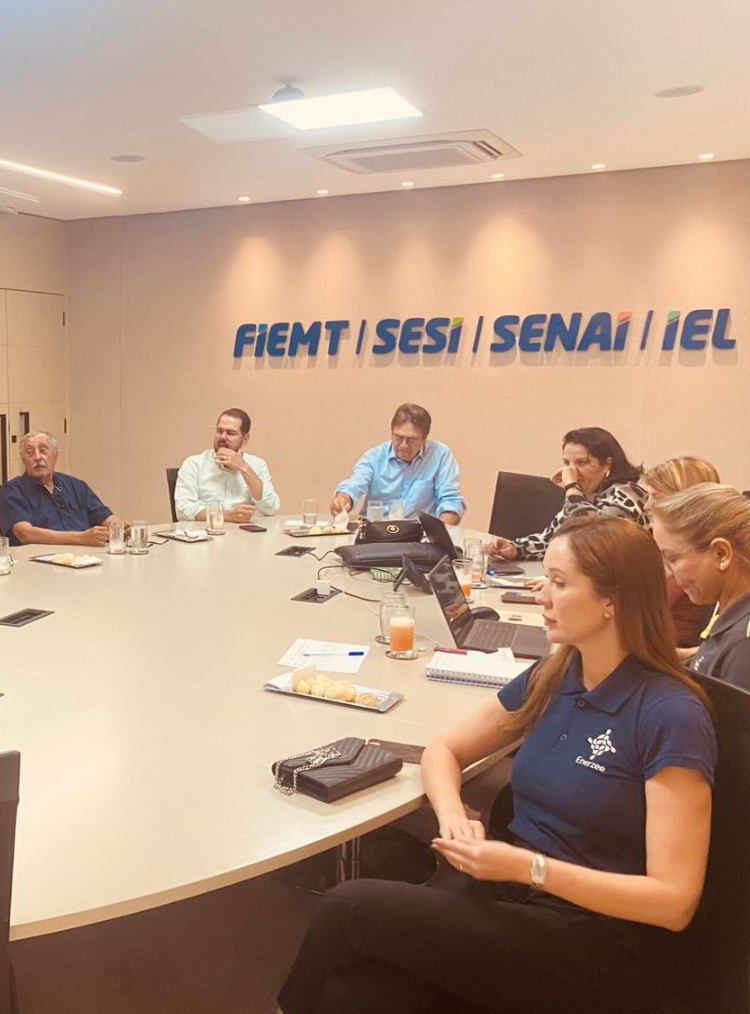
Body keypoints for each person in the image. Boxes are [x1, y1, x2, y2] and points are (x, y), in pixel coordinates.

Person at [276, 514, 715, 1014]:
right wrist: (454, 818)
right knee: (351, 995)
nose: (542, 596)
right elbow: (444, 752)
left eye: (559, 583)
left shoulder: (671, 714)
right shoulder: (558, 673)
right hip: (514, 893)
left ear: (611, 601)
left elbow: (673, 903)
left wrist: (531, 868)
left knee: (347, 907)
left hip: (595, 936)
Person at [486, 426, 644, 561]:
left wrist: (571, 488)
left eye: (581, 463)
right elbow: (554, 539)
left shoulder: (626, 492)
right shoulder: (583, 495)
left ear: (607, 465)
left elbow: (591, 536)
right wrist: (516, 548)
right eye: (567, 463)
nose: (570, 471)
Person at [650, 483, 750, 690]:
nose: (669, 572)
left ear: (721, 554)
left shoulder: (744, 646)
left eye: (672, 558)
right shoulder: (727, 610)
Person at [330, 403, 464, 524]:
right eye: (398, 438)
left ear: (424, 439)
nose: (403, 445)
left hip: (418, 535)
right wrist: (343, 498)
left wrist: (439, 532)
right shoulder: (375, 457)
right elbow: (355, 483)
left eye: (411, 440)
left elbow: (451, 501)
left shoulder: (440, 455)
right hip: (375, 532)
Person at [639, 457, 721, 648]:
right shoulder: (650, 547)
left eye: (656, 496)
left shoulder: (701, 556)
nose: (646, 506)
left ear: (683, 500)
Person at [0, 431, 123, 546]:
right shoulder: (13, 490)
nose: (37, 457)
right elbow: (25, 534)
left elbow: (104, 516)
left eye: (43, 450)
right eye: (29, 452)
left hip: (84, 556)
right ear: (23, 460)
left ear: (55, 455)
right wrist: (80, 538)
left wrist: (119, 528)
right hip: (39, 558)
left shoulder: (75, 485)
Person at [174, 408, 280, 523]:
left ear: (245, 439)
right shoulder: (194, 464)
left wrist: (244, 468)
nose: (223, 437)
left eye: (231, 433)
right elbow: (183, 511)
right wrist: (226, 515)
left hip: (242, 533)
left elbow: (271, 509)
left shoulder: (257, 464)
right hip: (203, 531)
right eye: (219, 431)